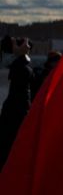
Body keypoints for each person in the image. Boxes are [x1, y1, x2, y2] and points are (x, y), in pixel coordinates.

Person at [0, 35, 35, 172]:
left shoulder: (18, 67)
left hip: (12, 115)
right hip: (15, 118)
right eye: (15, 42)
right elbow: (24, 81)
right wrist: (22, 56)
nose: (21, 42)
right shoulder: (18, 68)